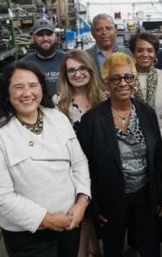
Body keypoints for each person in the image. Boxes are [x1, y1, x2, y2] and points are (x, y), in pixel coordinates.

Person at [0, 61, 91, 257]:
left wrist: (82, 202)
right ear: (7, 93)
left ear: (42, 88)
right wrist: (46, 219)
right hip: (28, 235)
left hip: (70, 224)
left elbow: (79, 162)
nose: (27, 93)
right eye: (18, 87)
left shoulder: (58, 119)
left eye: (33, 85)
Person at [77, 52, 162, 257]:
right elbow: (85, 167)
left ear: (134, 81)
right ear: (105, 84)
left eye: (128, 77)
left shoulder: (146, 113)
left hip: (145, 194)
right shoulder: (92, 120)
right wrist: (94, 206)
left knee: (149, 246)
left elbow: (158, 158)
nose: (123, 83)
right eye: (115, 78)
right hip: (111, 198)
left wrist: (161, 194)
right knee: (113, 248)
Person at [129, 32, 162, 242]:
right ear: (133, 53)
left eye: (149, 50)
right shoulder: (126, 77)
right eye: (140, 50)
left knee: (161, 190)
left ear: (156, 54)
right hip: (131, 148)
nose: (145, 54)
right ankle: (136, 239)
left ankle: (159, 236)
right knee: (136, 193)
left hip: (161, 146)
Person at [53, 50, 105, 257]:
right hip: (74, 171)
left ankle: (96, 249)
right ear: (65, 75)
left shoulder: (105, 97)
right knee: (82, 218)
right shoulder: (59, 103)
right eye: (71, 70)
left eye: (82, 68)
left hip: (102, 168)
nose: (77, 74)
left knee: (97, 217)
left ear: (91, 70)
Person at [21, 18, 64, 97]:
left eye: (49, 34)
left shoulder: (67, 60)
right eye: (40, 35)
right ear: (33, 38)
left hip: (64, 107)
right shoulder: (23, 64)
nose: (45, 38)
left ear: (55, 36)